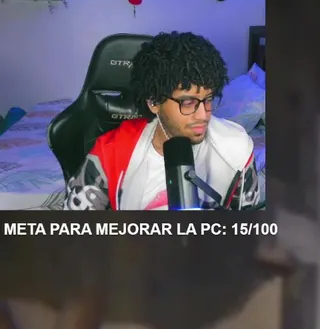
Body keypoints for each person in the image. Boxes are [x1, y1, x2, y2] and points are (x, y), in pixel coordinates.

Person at [63, 31, 261, 211]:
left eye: (208, 99)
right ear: (154, 102)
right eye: (187, 102)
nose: (203, 115)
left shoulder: (236, 150)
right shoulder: (111, 152)